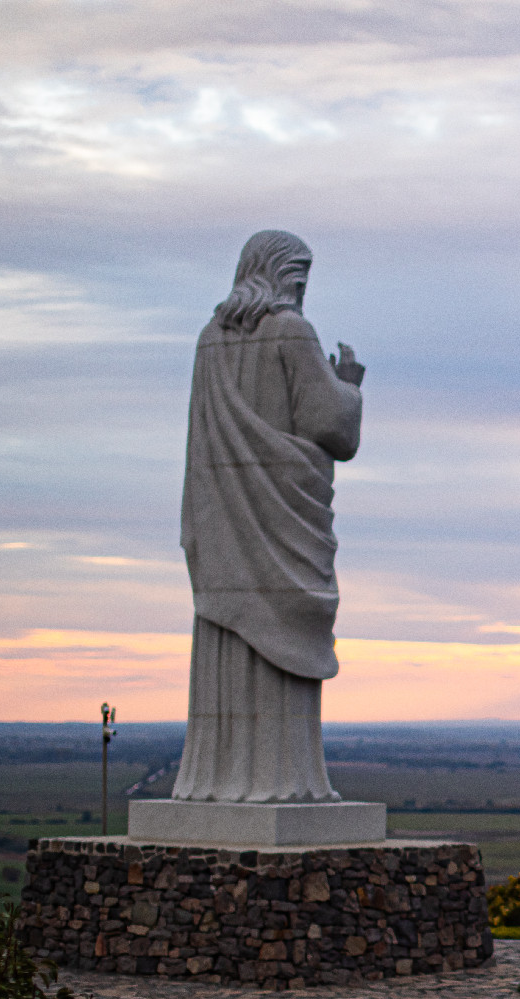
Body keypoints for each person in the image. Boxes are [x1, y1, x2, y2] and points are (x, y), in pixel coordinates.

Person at [170, 230, 366, 804]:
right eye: (298, 276)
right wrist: (349, 387)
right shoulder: (291, 330)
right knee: (273, 639)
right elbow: (328, 426)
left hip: (225, 523)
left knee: (233, 640)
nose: (303, 288)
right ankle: (283, 782)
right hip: (279, 522)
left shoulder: (211, 340)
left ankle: (215, 781)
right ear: (279, 273)